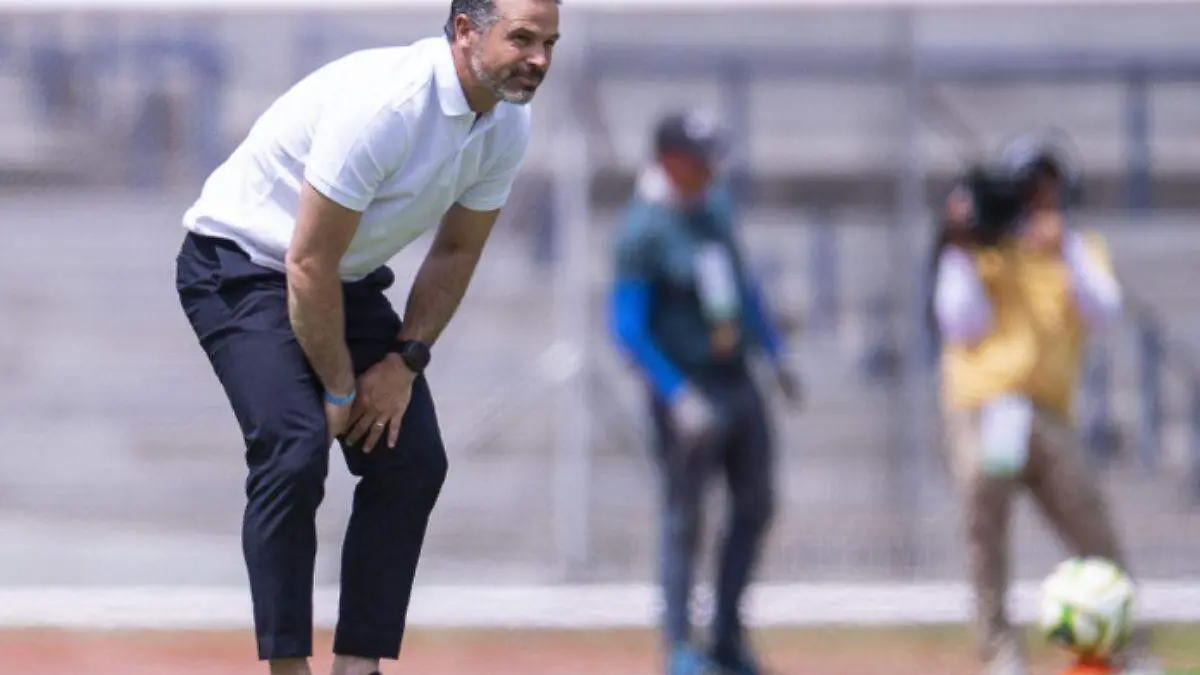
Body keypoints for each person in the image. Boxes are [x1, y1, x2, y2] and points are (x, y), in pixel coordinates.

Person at [173, 1, 560, 674]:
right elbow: (306, 262)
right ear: (464, 32)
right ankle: (288, 667)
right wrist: (340, 388)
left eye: (550, 42)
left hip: (335, 275)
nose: (539, 59)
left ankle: (359, 664)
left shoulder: (507, 123)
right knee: (295, 447)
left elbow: (456, 251)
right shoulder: (389, 107)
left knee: (413, 460)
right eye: (522, 38)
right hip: (240, 265)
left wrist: (405, 363)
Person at [929, 139, 1161, 675]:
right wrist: (962, 246)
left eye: (1047, 191)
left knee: (1093, 528)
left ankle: (1128, 648)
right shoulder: (981, 249)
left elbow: (1103, 310)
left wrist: (1064, 251)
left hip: (1049, 413)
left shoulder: (1078, 249)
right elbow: (960, 323)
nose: (1039, 202)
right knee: (985, 533)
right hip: (984, 409)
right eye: (1030, 191)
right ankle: (999, 653)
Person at [609, 110, 802, 675]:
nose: (712, 169)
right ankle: (680, 646)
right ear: (670, 161)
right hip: (689, 392)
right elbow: (628, 327)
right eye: (700, 159)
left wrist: (774, 351)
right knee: (685, 517)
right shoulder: (643, 231)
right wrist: (675, 394)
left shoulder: (714, 210)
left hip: (737, 381)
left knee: (755, 506)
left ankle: (727, 636)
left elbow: (743, 288)